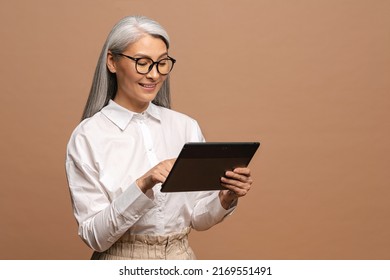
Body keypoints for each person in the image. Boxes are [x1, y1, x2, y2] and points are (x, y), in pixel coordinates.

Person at [65, 15, 253, 260]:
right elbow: (95, 237)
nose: (154, 75)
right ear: (112, 61)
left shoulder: (185, 126)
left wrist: (226, 197)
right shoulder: (88, 136)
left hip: (180, 257)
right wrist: (144, 184)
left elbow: (197, 217)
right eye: (142, 62)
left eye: (162, 63)